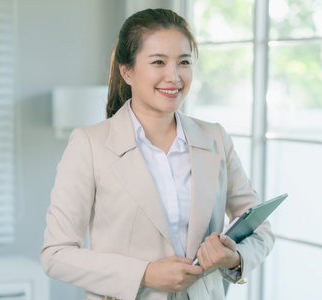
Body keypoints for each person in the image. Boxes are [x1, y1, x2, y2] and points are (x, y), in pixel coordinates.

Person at [40, 8, 274, 300]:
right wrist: (146, 273)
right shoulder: (89, 144)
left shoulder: (215, 138)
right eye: (158, 62)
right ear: (127, 71)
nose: (174, 76)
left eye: (184, 62)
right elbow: (56, 254)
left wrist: (233, 257)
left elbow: (259, 227)